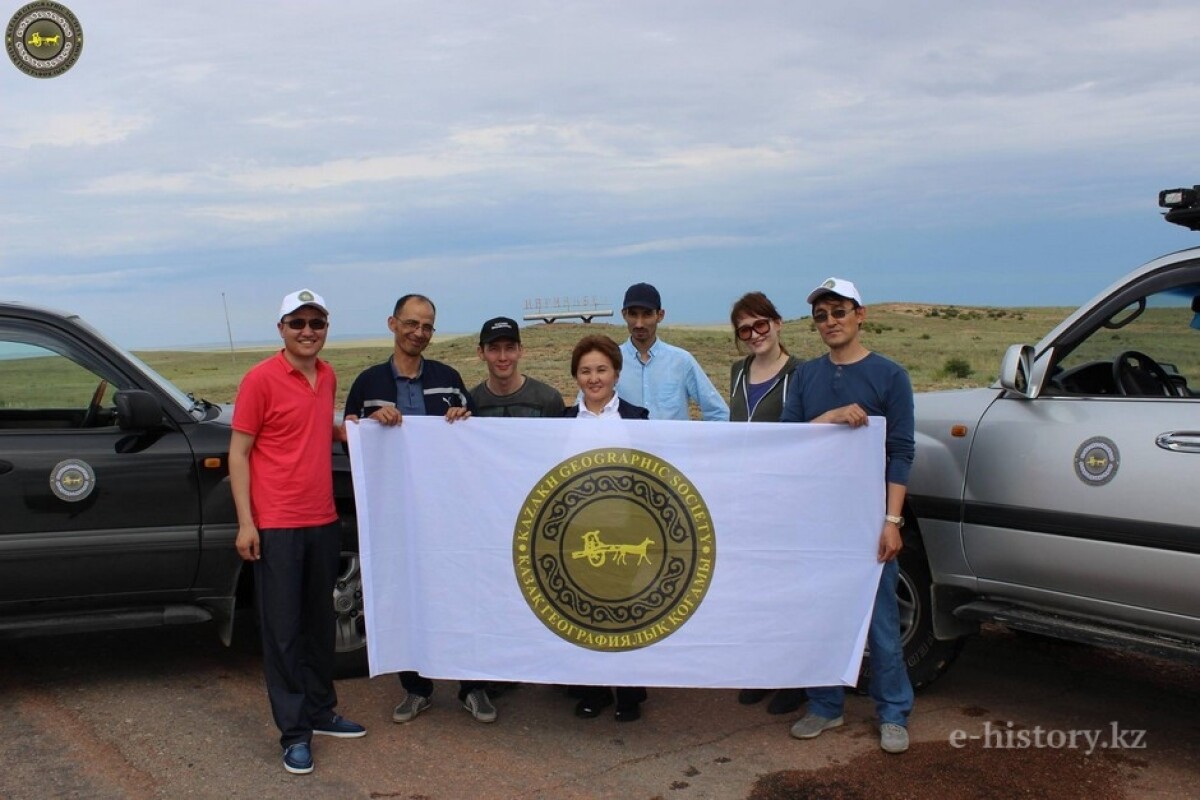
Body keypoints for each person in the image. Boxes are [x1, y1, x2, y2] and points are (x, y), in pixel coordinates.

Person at [230, 289, 366, 776]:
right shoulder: (260, 380)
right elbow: (239, 453)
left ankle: (320, 709)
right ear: (281, 328)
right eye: (298, 323)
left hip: (323, 519)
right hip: (278, 525)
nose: (308, 331)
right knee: (283, 631)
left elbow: (310, 425)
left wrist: (344, 430)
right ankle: (294, 733)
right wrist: (248, 522)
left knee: (318, 622)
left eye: (317, 322)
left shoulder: (326, 375)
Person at [342, 293, 495, 725]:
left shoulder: (448, 377)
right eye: (411, 324)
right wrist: (367, 425)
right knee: (405, 595)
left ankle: (472, 685)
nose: (419, 333)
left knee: (461, 594)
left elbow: (473, 436)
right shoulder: (369, 383)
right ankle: (416, 688)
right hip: (395, 515)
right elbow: (349, 436)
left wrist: (466, 417)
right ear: (393, 323)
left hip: (449, 513)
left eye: (427, 326)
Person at [780, 277, 916, 755]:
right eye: (821, 316)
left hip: (867, 522)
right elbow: (789, 439)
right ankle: (825, 704)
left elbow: (900, 451)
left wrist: (891, 521)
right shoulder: (806, 377)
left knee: (880, 623)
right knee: (822, 615)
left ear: (861, 314)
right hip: (819, 520)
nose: (830, 322)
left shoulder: (890, 376)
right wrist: (830, 417)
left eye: (839, 312)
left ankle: (894, 711)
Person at [562, 334, 649, 721]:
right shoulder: (560, 421)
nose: (593, 378)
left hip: (625, 528)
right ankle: (593, 689)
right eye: (585, 371)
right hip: (580, 530)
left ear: (616, 372)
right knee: (585, 609)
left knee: (626, 609)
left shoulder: (639, 417)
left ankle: (630, 691)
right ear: (575, 377)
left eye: (601, 369)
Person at [727, 292, 806, 716]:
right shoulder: (738, 372)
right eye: (745, 329)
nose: (755, 334)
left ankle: (793, 679)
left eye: (761, 325)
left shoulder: (801, 373)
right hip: (746, 497)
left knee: (785, 592)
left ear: (777, 324)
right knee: (753, 590)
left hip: (786, 499)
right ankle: (760, 671)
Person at [616, 282, 729, 421]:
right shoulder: (610, 360)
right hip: (624, 444)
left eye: (647, 315)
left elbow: (718, 413)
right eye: (633, 314)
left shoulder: (681, 361)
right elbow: (584, 412)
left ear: (660, 315)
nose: (639, 323)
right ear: (624, 315)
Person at [470, 316, 565, 417]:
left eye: (510, 348)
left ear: (520, 350)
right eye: (494, 349)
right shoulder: (469, 402)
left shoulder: (549, 399)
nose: (502, 357)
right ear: (481, 352)